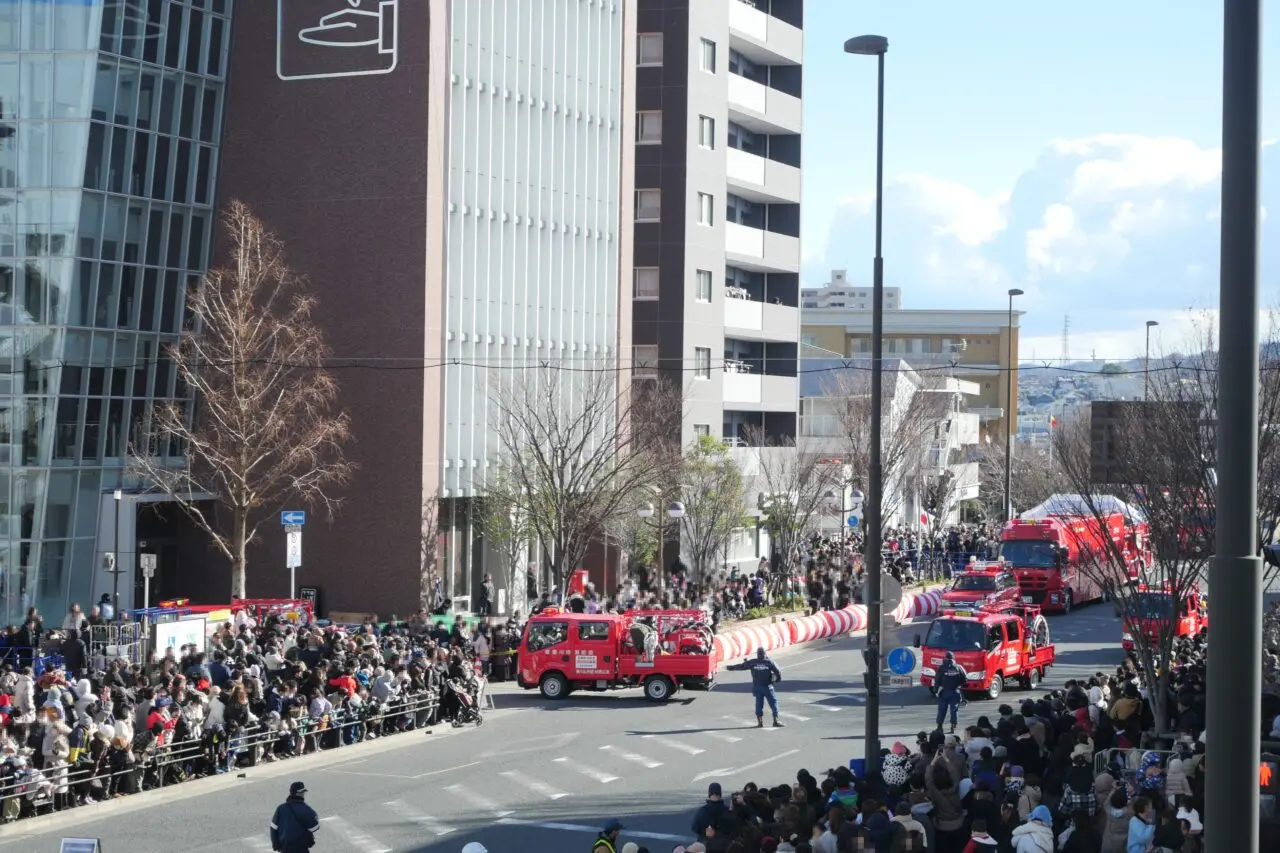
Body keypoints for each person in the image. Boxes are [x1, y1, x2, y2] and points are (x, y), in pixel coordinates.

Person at [727, 648, 784, 728]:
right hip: (768, 686)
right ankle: (776, 721)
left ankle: (760, 723)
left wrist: (732, 667)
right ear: (765, 654)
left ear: (757, 654)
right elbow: (778, 671)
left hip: (757, 687)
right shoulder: (769, 662)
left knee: (759, 704)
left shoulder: (753, 662)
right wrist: (778, 680)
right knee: (774, 703)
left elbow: (742, 666)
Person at [270, 781, 320, 853]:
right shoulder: (305, 808)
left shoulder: (281, 808)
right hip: (301, 847)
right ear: (299, 794)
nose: (303, 794)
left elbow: (273, 828)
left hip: (285, 848)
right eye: (302, 792)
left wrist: (276, 846)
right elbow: (315, 827)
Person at [934, 650, 967, 734]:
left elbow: (937, 680)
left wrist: (936, 690)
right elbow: (964, 678)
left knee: (941, 710)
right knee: (954, 710)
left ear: (945, 658)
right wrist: (958, 685)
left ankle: (939, 727)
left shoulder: (941, 668)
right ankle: (953, 726)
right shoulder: (958, 667)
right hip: (955, 692)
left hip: (944, 691)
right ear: (953, 658)